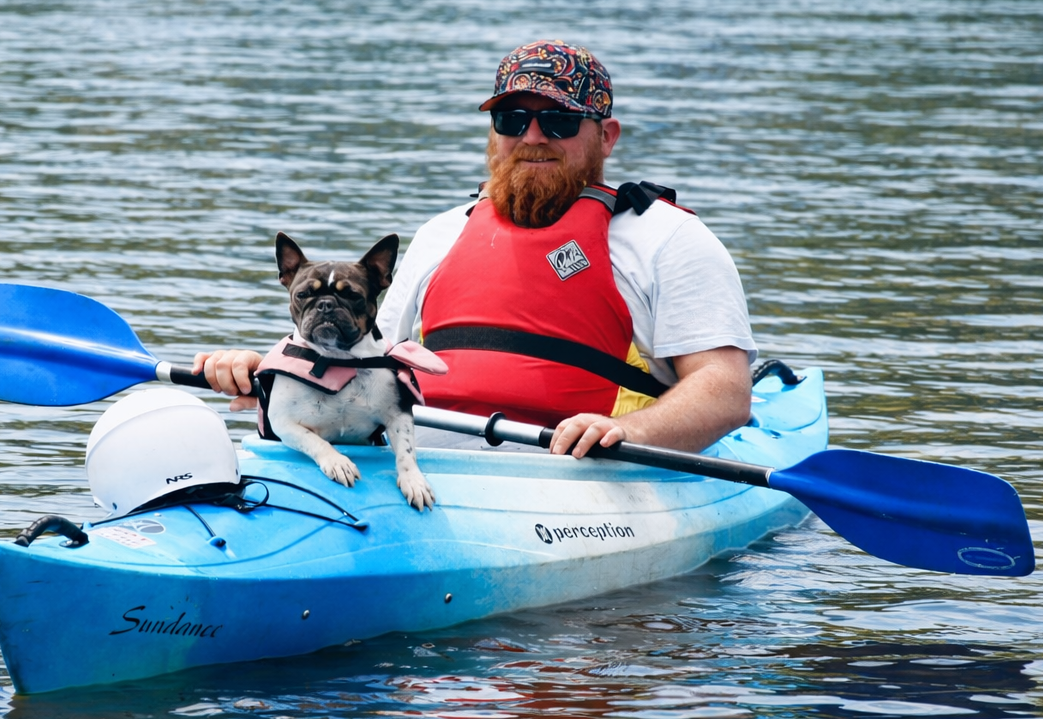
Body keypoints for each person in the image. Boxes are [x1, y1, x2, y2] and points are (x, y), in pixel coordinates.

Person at [195, 40, 756, 458]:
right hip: (423, 465)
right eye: (513, 119)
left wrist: (633, 431)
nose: (533, 137)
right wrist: (273, 370)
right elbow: (367, 356)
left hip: (584, 472)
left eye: (559, 121)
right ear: (493, 132)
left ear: (605, 137)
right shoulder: (443, 232)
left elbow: (724, 392)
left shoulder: (668, 239)